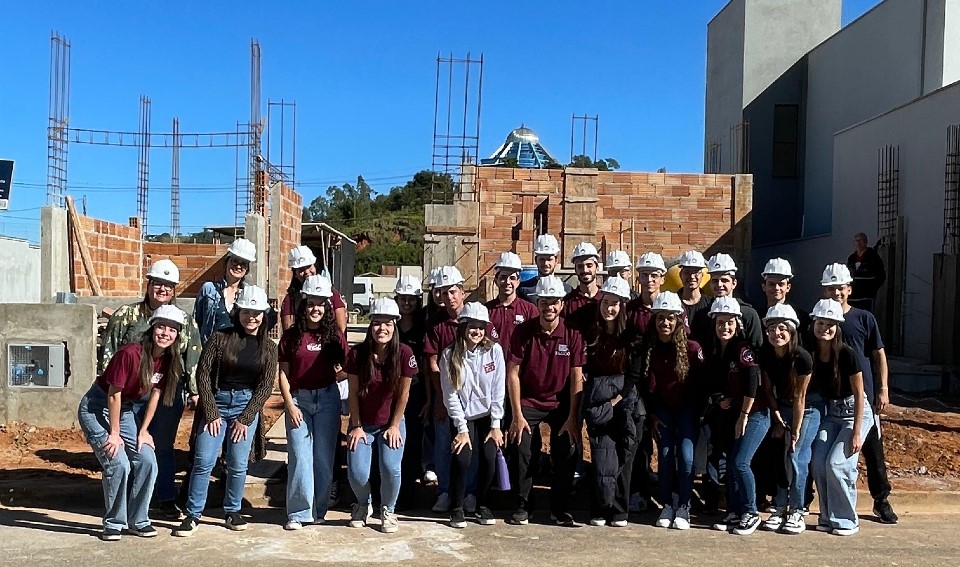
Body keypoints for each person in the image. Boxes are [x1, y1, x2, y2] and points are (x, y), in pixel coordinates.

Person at [99, 258, 202, 520]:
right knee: (131, 445)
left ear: (174, 289)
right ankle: (130, 502)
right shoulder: (126, 316)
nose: (162, 290)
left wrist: (193, 390)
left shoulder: (185, 321)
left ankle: (165, 498)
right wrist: (106, 386)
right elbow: (108, 353)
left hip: (165, 393)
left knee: (162, 445)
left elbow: (192, 356)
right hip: (131, 395)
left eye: (168, 286)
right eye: (158, 283)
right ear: (149, 284)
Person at [174, 285, 277, 537]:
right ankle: (192, 514)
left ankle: (232, 510)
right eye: (246, 312)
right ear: (237, 312)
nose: (251, 318)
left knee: (238, 463)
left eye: (256, 313)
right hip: (217, 403)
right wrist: (211, 412)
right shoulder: (220, 338)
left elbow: (265, 386)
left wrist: (246, 417)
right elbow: (203, 376)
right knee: (203, 460)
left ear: (263, 315)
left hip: (245, 405)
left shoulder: (269, 348)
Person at [78, 305, 185, 541]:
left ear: (177, 335)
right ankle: (114, 523)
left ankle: (139, 520)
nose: (166, 333)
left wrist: (144, 430)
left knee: (147, 460)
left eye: (172, 330)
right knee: (119, 463)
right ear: (152, 328)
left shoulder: (168, 360)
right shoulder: (130, 354)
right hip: (97, 408)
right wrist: (114, 434)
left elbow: (156, 394)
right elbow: (113, 395)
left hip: (124, 410)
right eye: (161, 327)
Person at [821, 263, 898, 524]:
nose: (835, 293)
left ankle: (881, 500)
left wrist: (883, 389)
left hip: (864, 396)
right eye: (830, 288)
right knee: (825, 453)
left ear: (849, 289)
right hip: (833, 400)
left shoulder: (864, 318)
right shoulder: (822, 320)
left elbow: (879, 355)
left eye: (840, 288)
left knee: (873, 451)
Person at [507, 275, 585, 527]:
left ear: (561, 304)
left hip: (561, 404)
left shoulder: (573, 333)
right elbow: (513, 373)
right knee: (521, 447)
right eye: (544, 302)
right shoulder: (523, 331)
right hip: (529, 401)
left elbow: (576, 377)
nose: (548, 307)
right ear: (537, 303)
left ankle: (559, 508)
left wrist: (573, 418)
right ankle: (523, 505)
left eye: (554, 302)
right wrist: (517, 415)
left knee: (568, 450)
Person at [423, 266, 498, 514]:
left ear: (462, 292)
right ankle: (445, 491)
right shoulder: (436, 324)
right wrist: (441, 400)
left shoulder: (479, 320)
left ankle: (469, 493)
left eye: (452, 291)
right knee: (445, 445)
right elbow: (433, 364)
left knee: (472, 450)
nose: (448, 297)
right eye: (443, 293)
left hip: (477, 403)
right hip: (449, 395)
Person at [277, 275, 349, 530]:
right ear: (303, 305)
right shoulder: (291, 337)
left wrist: (335, 377)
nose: (315, 308)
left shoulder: (335, 337)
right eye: (311, 303)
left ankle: (319, 510)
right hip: (299, 401)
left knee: (323, 457)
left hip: (328, 399)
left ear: (327, 307)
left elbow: (349, 367)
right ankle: (298, 513)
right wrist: (289, 404)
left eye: (321, 303)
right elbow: (283, 373)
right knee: (299, 456)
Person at [344, 298, 418, 534]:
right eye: (377, 323)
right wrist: (355, 426)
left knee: (390, 467)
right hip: (362, 423)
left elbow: (404, 395)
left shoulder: (405, 353)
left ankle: (388, 509)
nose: (381, 329)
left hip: (390, 422)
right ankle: (363, 505)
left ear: (395, 325)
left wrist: (395, 425)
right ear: (370, 325)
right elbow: (353, 393)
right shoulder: (357, 354)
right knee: (357, 473)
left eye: (387, 323)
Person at [808, 298, 873, 536]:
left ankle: (847, 519)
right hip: (831, 413)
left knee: (838, 464)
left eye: (830, 324)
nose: (824, 328)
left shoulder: (847, 354)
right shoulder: (812, 353)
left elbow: (859, 394)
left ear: (837, 327)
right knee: (818, 462)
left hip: (855, 412)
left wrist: (857, 432)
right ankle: (827, 516)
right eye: (820, 323)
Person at [581, 276, 642, 527]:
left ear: (623, 306)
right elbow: (585, 368)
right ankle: (599, 508)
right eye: (606, 302)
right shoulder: (592, 333)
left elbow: (635, 374)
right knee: (601, 454)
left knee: (623, 456)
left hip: (624, 402)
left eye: (615, 303)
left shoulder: (632, 335)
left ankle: (619, 510)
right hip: (599, 402)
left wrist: (617, 398)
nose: (610, 308)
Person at [707, 296, 770, 536]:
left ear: (738, 324)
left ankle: (750, 512)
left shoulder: (743, 349)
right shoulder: (718, 351)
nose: (725, 327)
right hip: (734, 415)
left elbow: (754, 380)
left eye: (730, 323)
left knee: (740, 462)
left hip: (755, 415)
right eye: (721, 322)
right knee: (731, 462)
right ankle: (734, 510)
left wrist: (744, 413)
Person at [439, 302, 506, 528]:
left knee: (488, 457)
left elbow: (498, 389)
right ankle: (456, 506)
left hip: (488, 416)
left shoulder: (494, 351)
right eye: (472, 327)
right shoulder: (449, 355)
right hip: (463, 417)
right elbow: (450, 396)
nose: (476, 332)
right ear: (463, 327)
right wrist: (461, 429)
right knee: (462, 457)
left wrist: (496, 424)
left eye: (480, 327)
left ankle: (482, 504)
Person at [645, 291, 704, 531]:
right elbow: (645, 385)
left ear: (679, 320)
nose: (665, 323)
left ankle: (685, 505)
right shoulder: (650, 347)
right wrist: (652, 415)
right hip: (662, 412)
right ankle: (668, 504)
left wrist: (698, 416)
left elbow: (701, 384)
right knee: (667, 456)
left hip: (687, 412)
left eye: (670, 318)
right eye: (660, 318)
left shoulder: (692, 348)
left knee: (687, 458)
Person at [758, 303, 818, 535]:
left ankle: (797, 509)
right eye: (772, 328)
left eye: (782, 328)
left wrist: (795, 430)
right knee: (780, 457)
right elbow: (768, 388)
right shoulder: (766, 353)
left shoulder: (802, 357)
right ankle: (780, 505)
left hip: (807, 409)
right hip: (781, 407)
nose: (776, 333)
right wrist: (775, 416)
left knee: (797, 456)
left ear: (792, 331)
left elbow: (800, 396)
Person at [624, 251, 668, 512]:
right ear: (637, 277)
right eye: (644, 275)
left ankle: (667, 496)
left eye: (654, 275)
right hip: (639, 385)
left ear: (662, 278)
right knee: (639, 440)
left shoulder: (671, 308)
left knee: (665, 440)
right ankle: (638, 490)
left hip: (664, 385)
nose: (649, 279)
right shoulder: (630, 310)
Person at [394, 275, 431, 509]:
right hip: (391, 393)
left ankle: (407, 493)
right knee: (393, 440)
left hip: (416, 393)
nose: (407, 303)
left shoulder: (423, 328)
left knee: (413, 444)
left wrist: (428, 398)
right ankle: (390, 491)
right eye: (403, 298)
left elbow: (427, 365)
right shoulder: (389, 325)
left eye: (412, 299)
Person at [193, 238, 258, 344]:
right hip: (210, 354)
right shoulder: (209, 290)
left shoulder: (248, 293)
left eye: (243, 263)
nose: (238, 266)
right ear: (227, 262)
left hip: (238, 353)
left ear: (247, 269)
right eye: (234, 261)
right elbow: (196, 323)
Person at [693, 254, 762, 350]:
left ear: (734, 283)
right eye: (715, 281)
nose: (719, 284)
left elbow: (757, 349)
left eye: (724, 280)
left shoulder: (749, 315)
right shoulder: (701, 315)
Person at [485, 252, 539, 362]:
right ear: (496, 281)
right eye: (503, 277)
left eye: (512, 278)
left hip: (520, 371)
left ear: (518, 282)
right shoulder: (485, 311)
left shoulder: (529, 309)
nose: (508, 282)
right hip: (492, 371)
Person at [281, 245, 347, 333]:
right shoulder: (290, 299)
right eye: (301, 269)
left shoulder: (332, 293)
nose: (307, 272)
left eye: (309, 267)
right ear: (295, 273)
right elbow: (288, 332)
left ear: (315, 266)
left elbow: (341, 328)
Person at [757, 258, 811, 338]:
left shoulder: (802, 317)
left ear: (788, 287)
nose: (776, 288)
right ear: (764, 287)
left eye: (781, 284)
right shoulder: (757, 317)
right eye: (772, 284)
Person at [517, 234, 572, 303]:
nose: (545, 263)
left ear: (556, 260)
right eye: (542, 259)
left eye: (549, 259)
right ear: (536, 260)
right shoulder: (523, 289)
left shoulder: (567, 290)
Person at [562, 242, 603, 332]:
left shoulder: (605, 299)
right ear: (575, 269)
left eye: (589, 265)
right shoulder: (567, 303)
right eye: (580, 266)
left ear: (597, 267)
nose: (585, 270)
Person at [846, 233, 886, 312]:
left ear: (865, 242)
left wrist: (871, 288)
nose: (858, 243)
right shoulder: (851, 258)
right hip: (852, 297)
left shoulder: (873, 257)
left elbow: (881, 275)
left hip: (866, 297)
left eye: (860, 240)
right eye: (856, 241)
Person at [676, 250, 711, 328]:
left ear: (702, 275)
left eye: (695, 272)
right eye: (687, 272)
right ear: (680, 275)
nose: (691, 277)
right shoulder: (672, 303)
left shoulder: (710, 304)